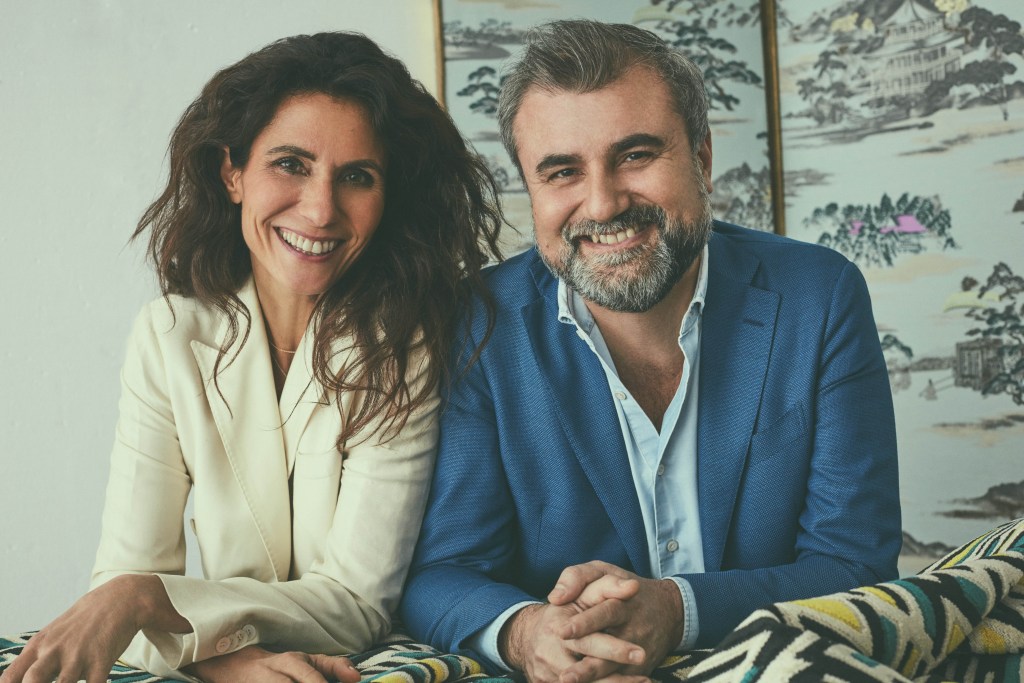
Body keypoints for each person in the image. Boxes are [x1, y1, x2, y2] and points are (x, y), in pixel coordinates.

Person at [400, 19, 900, 683]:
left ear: (703, 159)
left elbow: (855, 563)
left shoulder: (819, 295)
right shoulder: (478, 322)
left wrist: (677, 609)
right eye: (562, 171)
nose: (603, 204)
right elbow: (443, 570)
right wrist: (528, 633)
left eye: (635, 155)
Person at [1, 32, 501, 683]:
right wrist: (226, 662)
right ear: (232, 172)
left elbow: (356, 603)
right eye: (291, 164)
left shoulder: (404, 341)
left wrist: (148, 599)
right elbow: (119, 587)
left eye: (357, 176)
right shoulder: (168, 335)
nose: (320, 210)